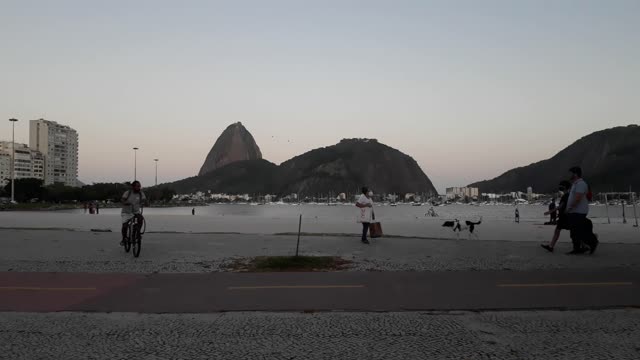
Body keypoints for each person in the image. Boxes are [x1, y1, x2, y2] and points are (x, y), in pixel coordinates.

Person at [566, 166, 599, 255]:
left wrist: (570, 208)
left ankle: (593, 242)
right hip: (574, 212)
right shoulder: (575, 184)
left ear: (575, 174)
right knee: (574, 231)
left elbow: (578, 198)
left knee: (579, 231)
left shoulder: (581, 184)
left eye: (571, 173)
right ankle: (577, 248)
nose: (569, 175)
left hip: (579, 212)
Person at [541, 181, 572, 252]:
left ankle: (551, 246)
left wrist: (549, 212)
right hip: (565, 216)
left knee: (572, 231)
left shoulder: (566, 196)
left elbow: (560, 207)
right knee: (558, 231)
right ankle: (551, 246)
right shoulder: (569, 195)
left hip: (564, 216)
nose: (559, 187)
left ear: (564, 187)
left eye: (561, 186)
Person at [120, 181, 148, 246]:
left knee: (140, 219)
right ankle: (124, 239)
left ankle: (137, 233)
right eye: (137, 186)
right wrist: (125, 202)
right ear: (133, 187)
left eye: (139, 186)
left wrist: (146, 203)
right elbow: (122, 200)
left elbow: (144, 200)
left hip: (136, 212)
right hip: (126, 212)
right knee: (125, 226)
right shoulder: (128, 193)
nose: (139, 187)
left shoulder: (141, 193)